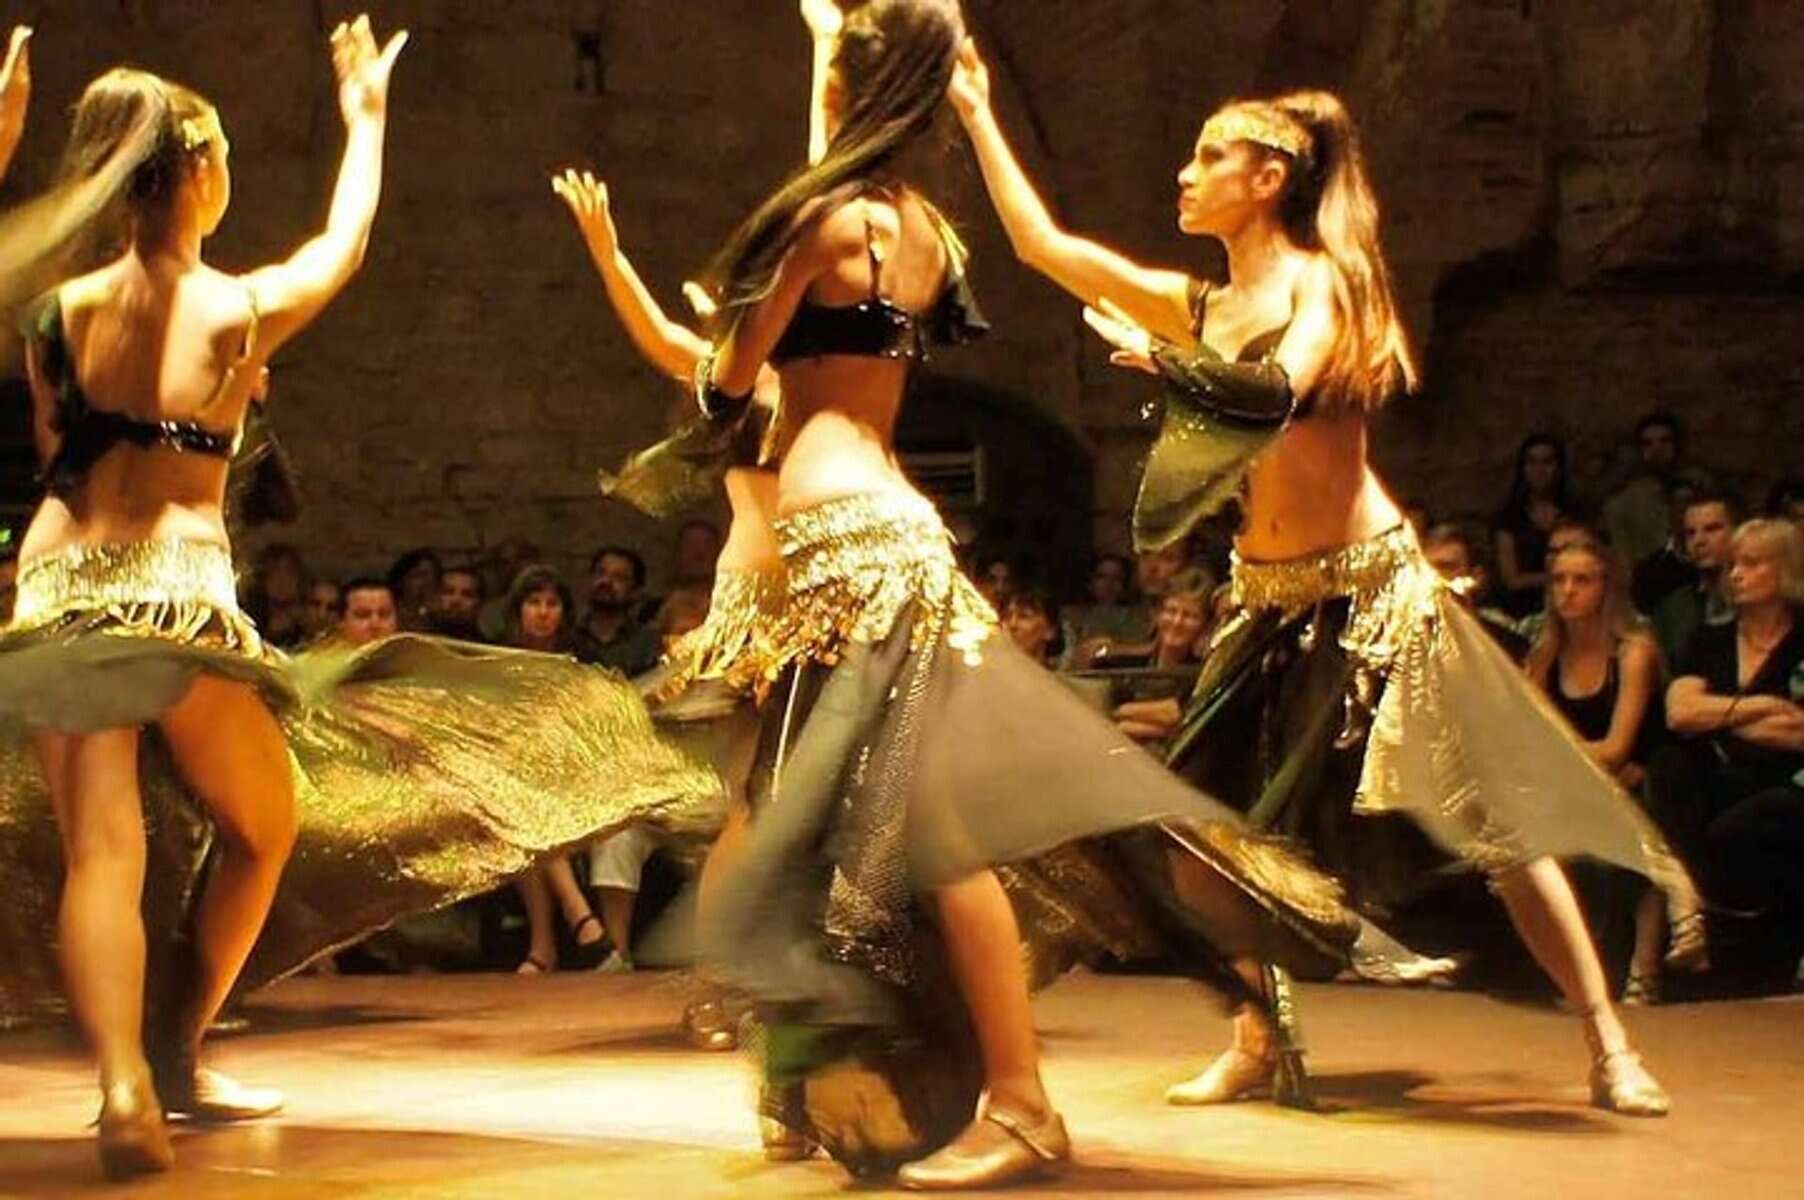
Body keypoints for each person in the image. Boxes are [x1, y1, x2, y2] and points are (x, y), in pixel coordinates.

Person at [693, 4, 1412, 1187]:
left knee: (840, 824)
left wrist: (725, 364)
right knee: (838, 818)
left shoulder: (818, 225)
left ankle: (1002, 1102)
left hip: (830, 545)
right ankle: (813, 1092)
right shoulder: (920, 235)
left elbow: (729, 381)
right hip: (901, 531)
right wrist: (834, 52)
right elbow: (840, 185)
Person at [951, 49, 1695, 1116]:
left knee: (1493, 828)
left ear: (1266, 179)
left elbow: (1280, 390)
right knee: (1205, 841)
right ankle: (1259, 1034)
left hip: (1374, 591)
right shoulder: (1197, 305)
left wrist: (1167, 368)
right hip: (1266, 603)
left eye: (1208, 156)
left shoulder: (1324, 282)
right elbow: (1041, 247)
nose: (1183, 173)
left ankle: (1608, 1041)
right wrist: (978, 108)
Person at [0, 19, 405, 1176]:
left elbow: (53, 448)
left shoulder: (57, 315)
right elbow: (345, 243)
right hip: (174, 588)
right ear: (196, 172)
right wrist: (364, 119)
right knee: (261, 826)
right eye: (221, 156)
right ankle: (161, 1058)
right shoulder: (238, 305)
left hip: (66, 579)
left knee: (105, 853)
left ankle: (139, 1083)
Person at [1526, 537, 1689, 1003]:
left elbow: (1618, 748)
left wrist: (1561, 759)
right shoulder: (1543, 659)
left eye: (1582, 580)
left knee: (1629, 817)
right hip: (1575, 787)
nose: (1568, 591)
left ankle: (1644, 965)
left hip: (1640, 779)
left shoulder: (1634, 652)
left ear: (1608, 588)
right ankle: (1575, 967)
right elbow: (1526, 740)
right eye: (1559, 580)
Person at [1649, 519, 1804, 982]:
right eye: (1734, 564)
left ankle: (1706, 918)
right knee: (1670, 764)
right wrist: (1759, 706)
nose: (1735, 574)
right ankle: (1686, 911)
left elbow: (1801, 732)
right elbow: (1679, 713)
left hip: (1787, 780)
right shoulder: (1709, 639)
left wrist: (1719, 718)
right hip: (1717, 777)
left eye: (1752, 564)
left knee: (1749, 825)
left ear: (1787, 571)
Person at [500, 565, 608, 972]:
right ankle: (577, 916)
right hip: (512, 781)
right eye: (534, 602)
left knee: (526, 807)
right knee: (522, 805)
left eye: (552, 603)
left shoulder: (583, 662)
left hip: (579, 778)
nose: (543, 612)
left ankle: (548, 943)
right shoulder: (496, 662)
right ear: (518, 610)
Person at [1650, 489, 1739, 667]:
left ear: (1739, 531)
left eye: (1712, 529)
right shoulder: (1671, 609)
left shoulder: (1767, 600)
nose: (1699, 541)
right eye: (1690, 533)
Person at [1493, 433, 1575, 619]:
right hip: (1524, 610)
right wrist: (1556, 577)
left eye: (1547, 462)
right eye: (1532, 463)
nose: (1539, 470)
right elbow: (1512, 579)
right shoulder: (1509, 518)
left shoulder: (1576, 513)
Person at [428, 562, 486, 640]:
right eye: (448, 592)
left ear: (479, 605)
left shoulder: (489, 649)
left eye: (467, 595)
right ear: (436, 596)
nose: (456, 600)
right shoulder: (413, 638)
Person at [336, 575, 398, 645]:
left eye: (384, 614)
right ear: (341, 622)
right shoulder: (323, 655)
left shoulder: (412, 655)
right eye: (363, 615)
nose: (375, 625)